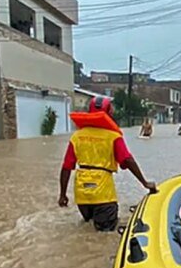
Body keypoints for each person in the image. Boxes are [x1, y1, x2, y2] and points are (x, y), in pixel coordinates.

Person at [58, 97, 157, 231]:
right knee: (105, 234)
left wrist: (63, 194)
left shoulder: (77, 136)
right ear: (109, 114)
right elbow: (127, 160)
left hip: (82, 194)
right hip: (103, 193)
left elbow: (66, 167)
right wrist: (145, 183)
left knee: (88, 231)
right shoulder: (113, 136)